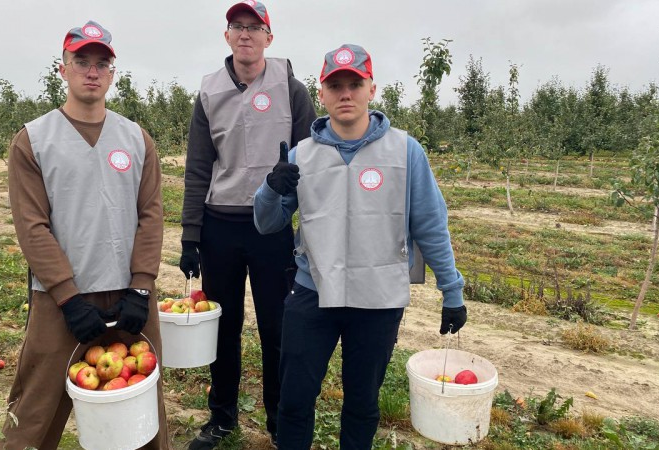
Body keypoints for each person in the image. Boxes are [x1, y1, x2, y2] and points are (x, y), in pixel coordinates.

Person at [253, 44, 467, 449]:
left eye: (355, 84)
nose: (345, 93)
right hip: (312, 294)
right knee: (294, 400)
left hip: (378, 301)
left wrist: (451, 291)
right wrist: (270, 187)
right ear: (323, 93)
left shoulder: (406, 152)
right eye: (336, 85)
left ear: (372, 89)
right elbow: (266, 224)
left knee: (362, 403)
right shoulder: (301, 155)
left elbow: (431, 225)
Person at [0, 20, 170, 450]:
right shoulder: (34, 141)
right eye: (82, 61)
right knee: (35, 413)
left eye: (102, 63)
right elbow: (32, 225)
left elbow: (150, 215)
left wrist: (143, 286)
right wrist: (68, 296)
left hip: (131, 297)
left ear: (113, 73)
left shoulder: (136, 139)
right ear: (63, 69)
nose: (92, 71)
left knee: (142, 409)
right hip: (63, 303)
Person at [179, 1, 317, 448]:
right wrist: (190, 236)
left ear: (269, 38)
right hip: (221, 226)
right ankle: (222, 417)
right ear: (226, 36)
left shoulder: (292, 89)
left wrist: (305, 224)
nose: (245, 34)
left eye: (255, 27)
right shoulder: (209, 92)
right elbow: (199, 167)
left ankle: (279, 421)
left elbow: (310, 159)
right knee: (225, 325)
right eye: (237, 26)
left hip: (272, 228)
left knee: (279, 327)